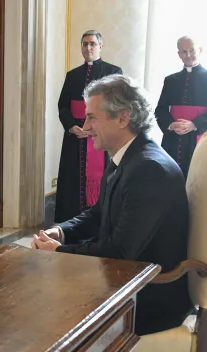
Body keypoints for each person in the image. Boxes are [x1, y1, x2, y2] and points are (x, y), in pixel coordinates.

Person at [32, 75, 193, 336]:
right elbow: (98, 214)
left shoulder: (149, 169)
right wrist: (61, 232)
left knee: (36, 303)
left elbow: (120, 252)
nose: (85, 125)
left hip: (147, 298)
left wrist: (59, 252)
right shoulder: (129, 155)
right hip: (124, 281)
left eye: (93, 117)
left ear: (122, 118)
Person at [55, 30, 123, 223]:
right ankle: (71, 219)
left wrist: (95, 128)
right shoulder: (72, 75)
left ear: (100, 46)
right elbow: (63, 106)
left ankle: (100, 219)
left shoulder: (113, 72)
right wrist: (71, 127)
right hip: (75, 137)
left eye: (92, 44)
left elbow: (117, 105)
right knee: (72, 179)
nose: (88, 48)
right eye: (84, 44)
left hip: (100, 136)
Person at [155, 35, 207, 178]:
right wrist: (171, 125)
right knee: (168, 179)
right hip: (173, 139)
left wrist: (194, 124)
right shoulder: (170, 80)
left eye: (192, 50)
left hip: (199, 136)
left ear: (199, 50)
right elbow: (160, 109)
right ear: (179, 54)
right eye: (184, 51)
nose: (188, 55)